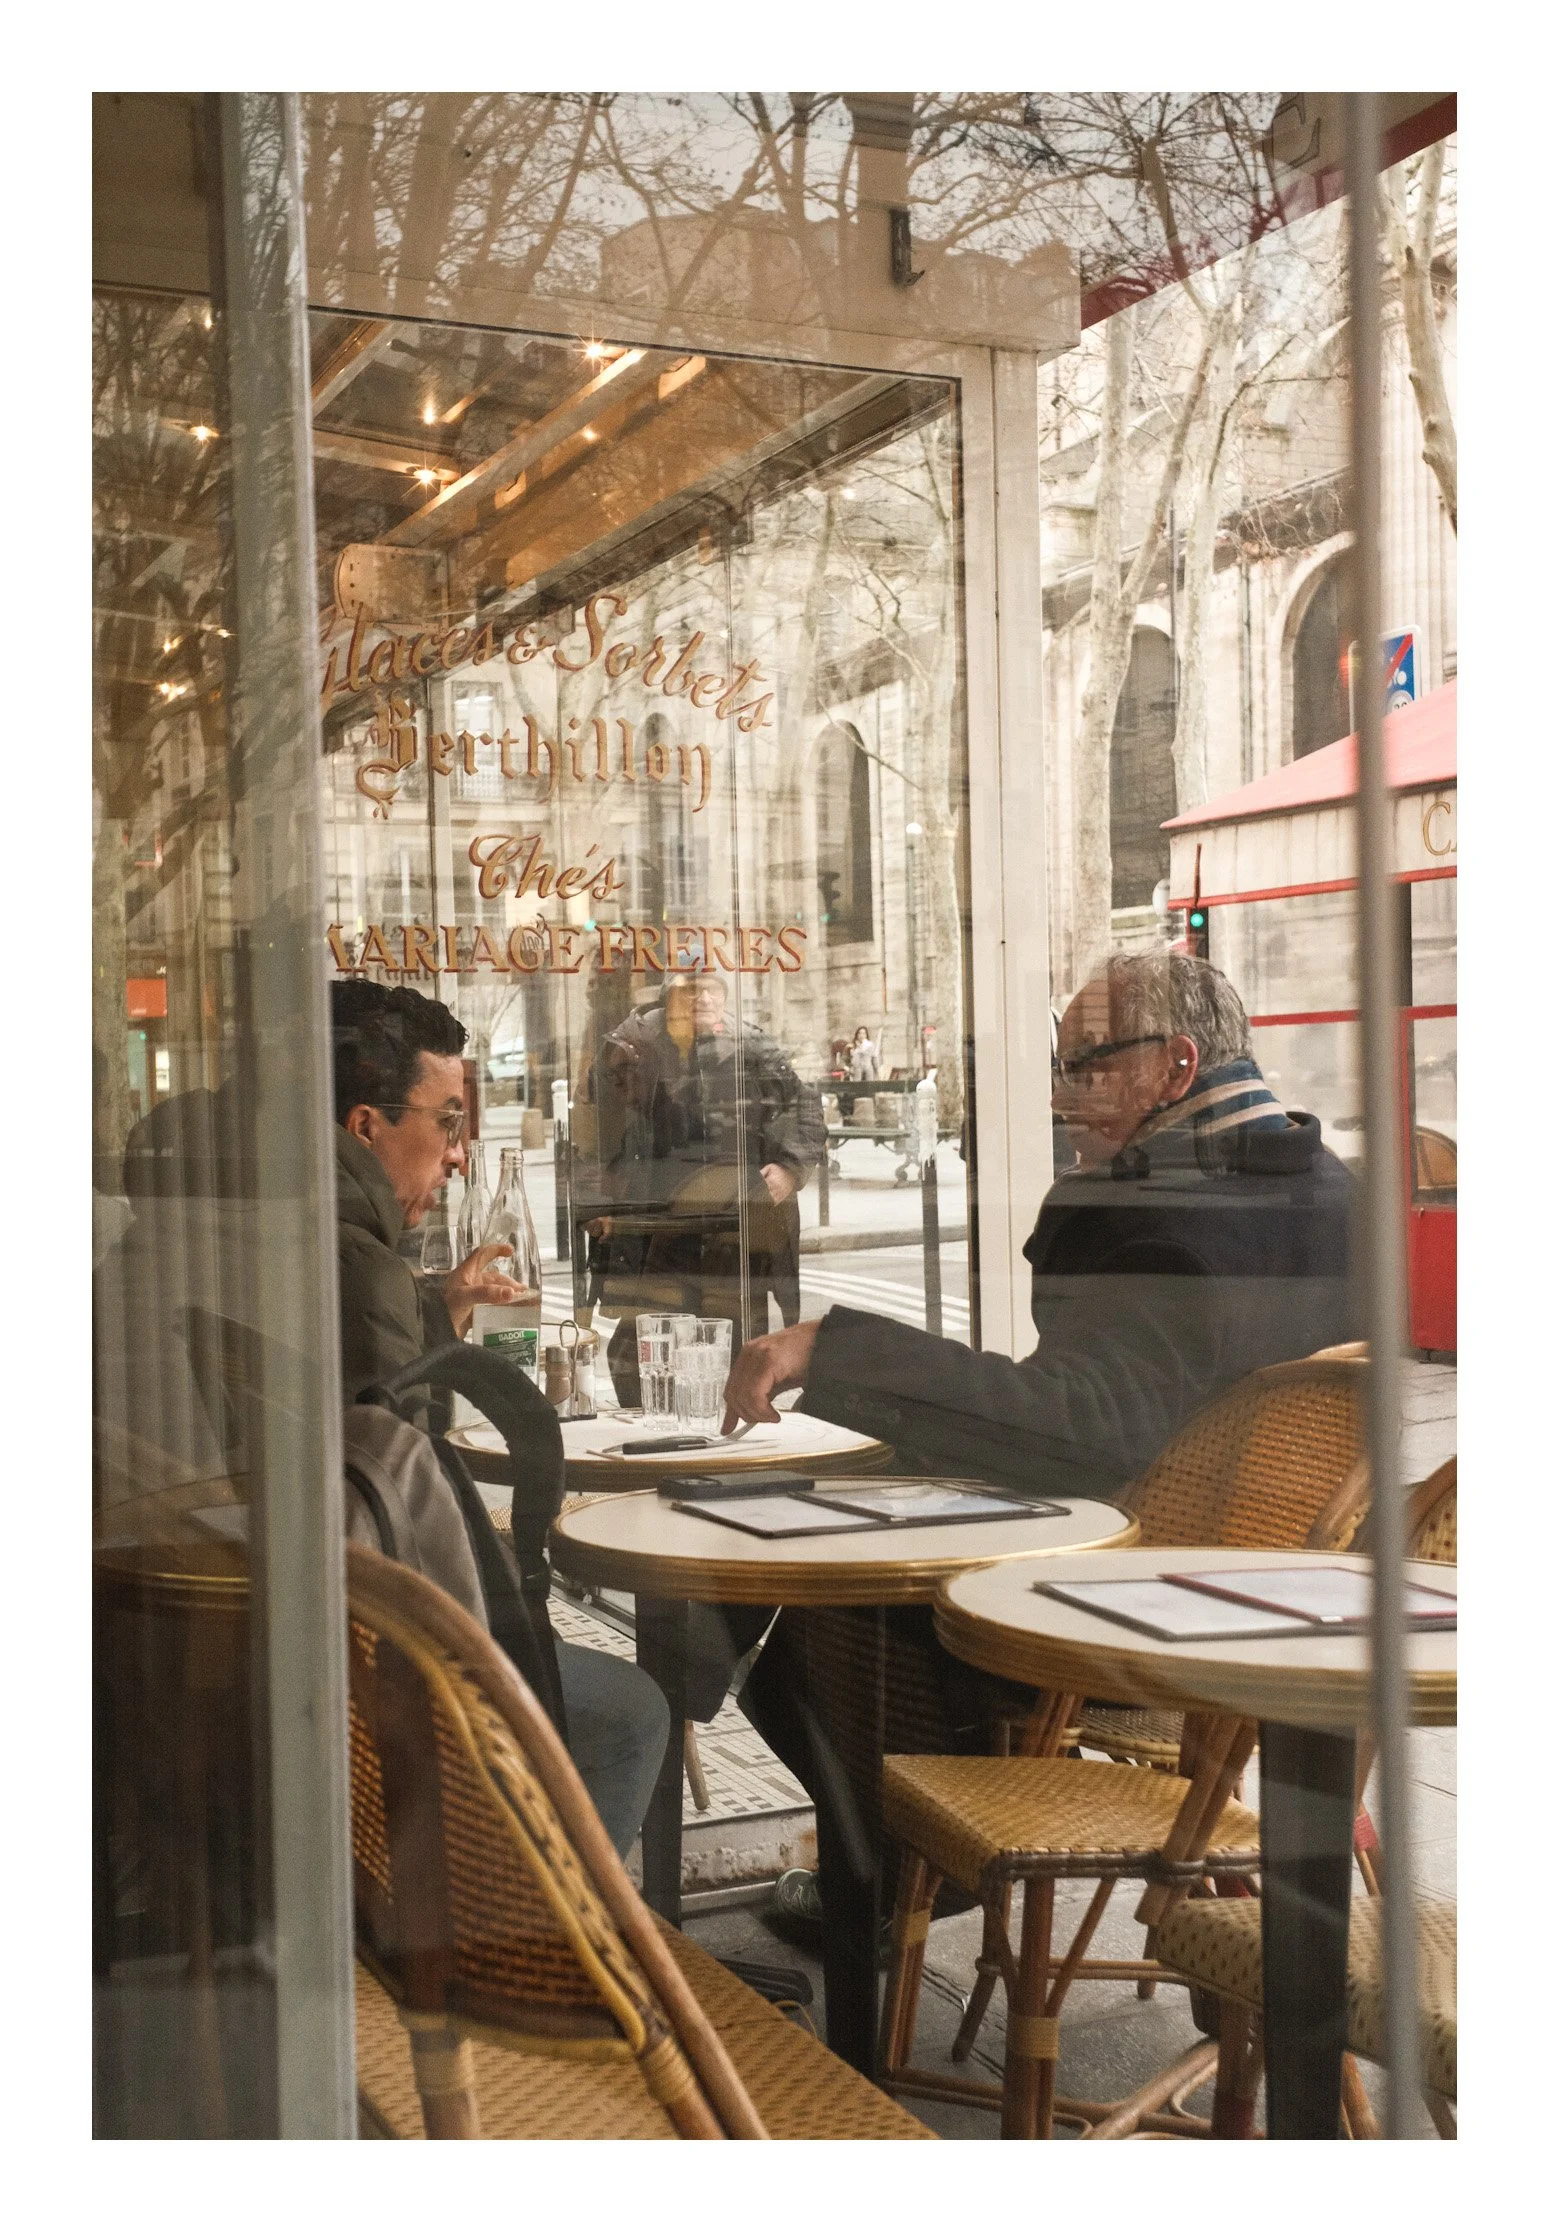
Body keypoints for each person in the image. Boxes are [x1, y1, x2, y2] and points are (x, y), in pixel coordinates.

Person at [719, 950, 1359, 1920]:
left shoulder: (1177, 1226)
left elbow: (1074, 1427)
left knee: (830, 1613)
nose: (1061, 1097)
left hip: (1127, 1616)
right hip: (1264, 1598)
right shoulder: (1317, 1186)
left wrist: (830, 1347)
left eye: (1087, 1067)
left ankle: (896, 1876)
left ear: (1176, 1067)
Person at [330, 979, 668, 1857]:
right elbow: (394, 1476)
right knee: (633, 1710)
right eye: (446, 1122)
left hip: (272, 1631)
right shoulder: (351, 1265)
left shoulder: (284, 1229)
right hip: (366, 1670)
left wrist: (434, 1310)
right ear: (367, 1128)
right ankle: (535, 1950)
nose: (457, 1152)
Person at [583, 972, 825, 1402]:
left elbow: (806, 1108)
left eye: (712, 989)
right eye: (691, 989)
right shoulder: (634, 1041)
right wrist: (603, 1197)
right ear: (669, 998)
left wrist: (789, 1169)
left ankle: (726, 1446)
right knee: (639, 1356)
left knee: (736, 1359)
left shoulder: (751, 1044)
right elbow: (595, 1120)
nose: (702, 999)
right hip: (657, 1232)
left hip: (732, 1235)